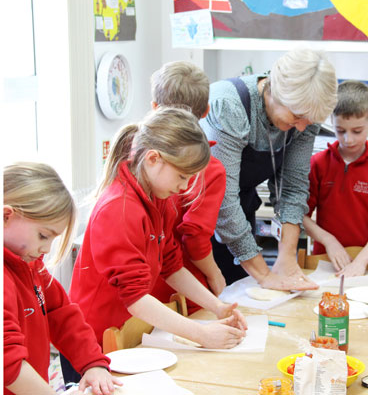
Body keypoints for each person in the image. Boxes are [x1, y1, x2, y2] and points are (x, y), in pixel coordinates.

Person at [68, 107, 247, 383]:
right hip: (93, 344)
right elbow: (136, 299)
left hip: (126, 336)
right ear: (154, 159)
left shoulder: (157, 198)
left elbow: (172, 266)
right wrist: (202, 334)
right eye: (182, 177)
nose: (186, 187)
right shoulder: (120, 208)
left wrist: (218, 306)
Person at [202, 49, 336, 291]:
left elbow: (293, 186)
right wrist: (264, 275)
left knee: (240, 304)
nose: (303, 128)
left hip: (241, 214)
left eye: (310, 120)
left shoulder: (304, 119)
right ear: (274, 91)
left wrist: (287, 258)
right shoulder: (228, 106)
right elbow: (222, 200)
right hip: (196, 223)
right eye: (297, 117)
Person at [4, 162, 118, 395]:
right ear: (6, 215)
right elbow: (7, 363)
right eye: (43, 235)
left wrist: (93, 362)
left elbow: (62, 315)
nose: (46, 248)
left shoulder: (29, 264)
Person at [304, 80, 368, 276]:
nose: (348, 139)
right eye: (341, 131)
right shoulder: (318, 163)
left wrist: (361, 262)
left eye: (357, 131)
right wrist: (329, 241)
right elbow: (300, 215)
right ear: (332, 122)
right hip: (325, 261)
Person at [150, 61, 228, 304]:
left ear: (154, 107)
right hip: (181, 291)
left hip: (146, 285)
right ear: (206, 111)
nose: (182, 185)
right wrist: (215, 274)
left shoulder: (139, 156)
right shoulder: (211, 169)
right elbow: (193, 236)